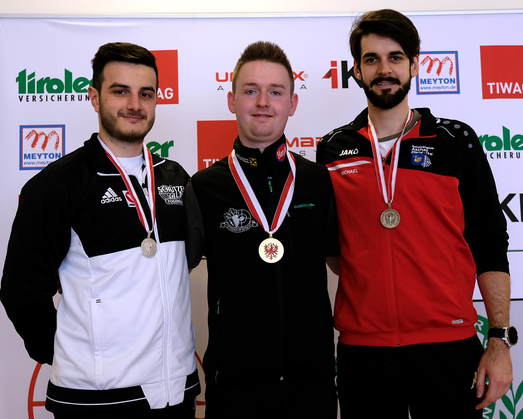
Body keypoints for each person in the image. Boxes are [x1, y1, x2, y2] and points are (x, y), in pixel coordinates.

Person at [316, 9, 515, 419]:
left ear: (414, 65)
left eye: (395, 57)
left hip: (448, 346)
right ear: (356, 70)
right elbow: (334, 250)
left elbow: (490, 244)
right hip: (364, 351)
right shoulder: (333, 148)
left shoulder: (455, 141)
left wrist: (498, 340)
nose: (384, 70)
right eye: (371, 59)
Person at [1, 42, 199, 419]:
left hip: (176, 390)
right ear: (94, 97)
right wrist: (72, 354)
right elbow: (20, 290)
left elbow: (179, 270)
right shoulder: (57, 185)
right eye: (120, 91)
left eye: (146, 94)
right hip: (94, 400)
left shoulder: (174, 178)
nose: (134, 104)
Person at [186, 41, 338, 419]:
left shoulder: (318, 181)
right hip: (234, 384)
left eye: (276, 92)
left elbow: (346, 263)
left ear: (292, 103)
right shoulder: (203, 187)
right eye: (251, 91)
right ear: (232, 100)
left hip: (312, 381)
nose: (263, 103)